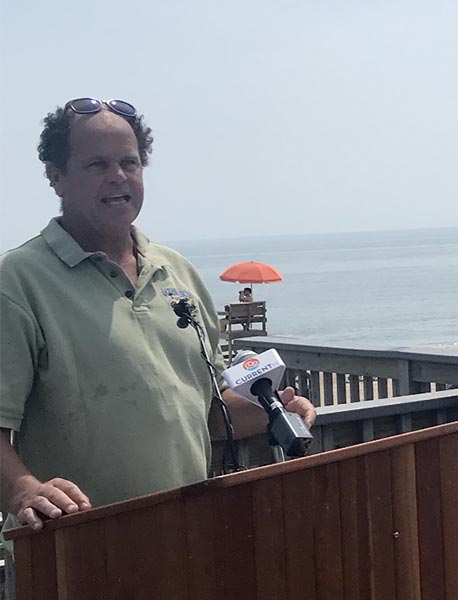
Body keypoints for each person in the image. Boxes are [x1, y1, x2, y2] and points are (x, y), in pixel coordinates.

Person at [0, 99, 317, 542]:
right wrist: (23, 491)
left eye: (129, 162)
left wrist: (274, 411)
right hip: (71, 552)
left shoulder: (178, 272)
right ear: (55, 175)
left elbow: (202, 412)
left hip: (183, 544)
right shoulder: (16, 281)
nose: (118, 176)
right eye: (97, 164)